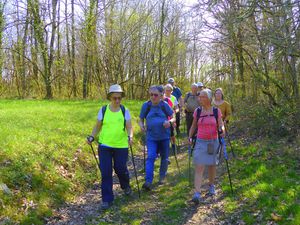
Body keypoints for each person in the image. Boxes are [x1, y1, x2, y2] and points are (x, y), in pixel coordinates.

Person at [86, 84, 133, 210]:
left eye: (119, 98)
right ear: (110, 98)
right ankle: (107, 199)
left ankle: (125, 186)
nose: (117, 100)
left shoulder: (125, 110)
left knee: (120, 168)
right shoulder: (103, 110)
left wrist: (131, 136)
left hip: (121, 145)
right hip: (105, 145)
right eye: (114, 98)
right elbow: (97, 126)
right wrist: (92, 136)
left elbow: (129, 127)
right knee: (106, 172)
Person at [188, 89, 225, 203]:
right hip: (200, 141)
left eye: (203, 97)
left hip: (212, 141)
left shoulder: (216, 111)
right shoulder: (197, 111)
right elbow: (194, 125)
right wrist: (189, 137)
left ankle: (211, 185)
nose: (200, 99)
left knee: (211, 164)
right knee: (199, 166)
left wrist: (222, 130)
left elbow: (221, 124)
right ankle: (197, 193)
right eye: (199, 97)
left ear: (208, 98)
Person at [139, 85, 175, 190]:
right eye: (151, 95)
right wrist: (141, 125)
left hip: (164, 136)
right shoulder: (146, 106)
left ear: (161, 96)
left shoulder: (164, 105)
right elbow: (141, 118)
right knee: (151, 157)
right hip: (151, 137)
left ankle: (162, 177)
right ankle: (148, 181)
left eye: (156, 95)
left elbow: (173, 117)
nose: (153, 97)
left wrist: (169, 122)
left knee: (164, 158)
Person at [164, 84, 179, 154]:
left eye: (169, 90)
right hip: (163, 117)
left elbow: (177, 108)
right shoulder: (162, 97)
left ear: (171, 91)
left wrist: (175, 111)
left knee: (172, 133)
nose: (167, 91)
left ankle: (174, 145)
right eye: (166, 90)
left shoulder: (173, 98)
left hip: (171, 117)